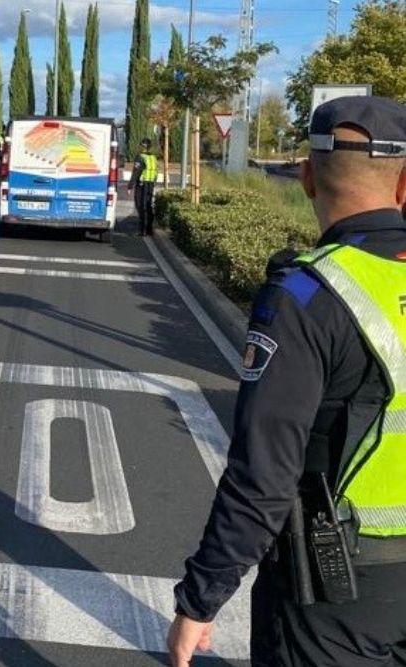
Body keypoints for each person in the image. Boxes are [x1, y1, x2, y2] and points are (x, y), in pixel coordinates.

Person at [167, 95, 406, 667]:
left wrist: (201, 600)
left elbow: (263, 477)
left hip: (339, 596)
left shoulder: (305, 298)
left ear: (305, 178)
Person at [128, 137, 159, 236]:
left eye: (141, 145)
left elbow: (136, 172)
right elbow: (156, 172)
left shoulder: (140, 157)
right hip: (150, 184)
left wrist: (130, 186)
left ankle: (142, 230)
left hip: (142, 184)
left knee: (140, 206)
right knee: (149, 206)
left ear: (142, 146)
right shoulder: (153, 157)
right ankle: (149, 229)